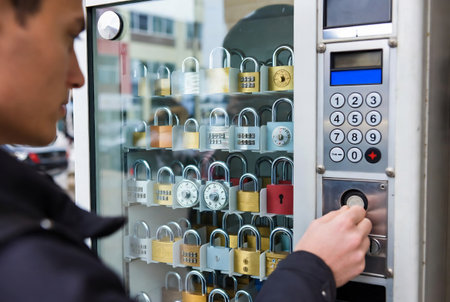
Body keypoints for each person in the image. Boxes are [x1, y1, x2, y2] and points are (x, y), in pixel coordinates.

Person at [0, 0, 371, 301]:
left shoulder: (25, 229)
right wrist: (312, 267)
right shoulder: (27, 259)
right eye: (69, 38)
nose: (80, 76)